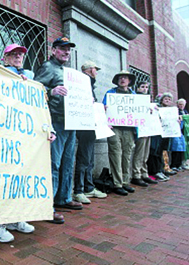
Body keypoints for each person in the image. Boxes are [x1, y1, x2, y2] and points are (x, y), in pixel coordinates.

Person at [0, 43, 56, 242]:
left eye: (20, 54)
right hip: (4, 135)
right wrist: (12, 80)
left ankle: (16, 218)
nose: (18, 57)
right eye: (13, 54)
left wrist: (49, 128)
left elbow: (40, 107)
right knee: (3, 178)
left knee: (21, 178)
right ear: (4, 58)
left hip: (25, 138)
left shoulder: (31, 79)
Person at [35, 37, 83, 223]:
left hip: (72, 121)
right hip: (56, 121)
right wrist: (51, 92)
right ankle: (48, 206)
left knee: (68, 162)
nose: (66, 52)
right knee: (53, 164)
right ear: (54, 50)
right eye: (62, 49)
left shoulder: (70, 72)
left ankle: (64, 197)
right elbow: (36, 88)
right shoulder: (48, 67)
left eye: (68, 50)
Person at [72, 61, 108, 204]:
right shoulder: (82, 82)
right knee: (84, 158)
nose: (96, 72)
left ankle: (88, 187)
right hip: (83, 125)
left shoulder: (89, 84)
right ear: (90, 70)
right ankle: (79, 190)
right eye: (95, 69)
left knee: (89, 158)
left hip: (90, 124)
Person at [102, 70, 138, 196]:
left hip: (128, 128)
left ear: (129, 81)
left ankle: (125, 181)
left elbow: (139, 111)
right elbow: (103, 109)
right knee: (115, 154)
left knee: (126, 155)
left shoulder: (134, 95)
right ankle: (117, 183)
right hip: (114, 128)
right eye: (120, 78)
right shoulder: (110, 93)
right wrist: (104, 109)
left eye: (125, 78)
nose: (122, 80)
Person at [131, 81, 157, 187]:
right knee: (139, 153)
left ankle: (144, 173)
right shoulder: (135, 98)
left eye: (146, 87)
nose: (144, 89)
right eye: (142, 87)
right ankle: (136, 175)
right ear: (137, 88)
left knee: (146, 153)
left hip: (148, 129)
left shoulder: (149, 100)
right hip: (140, 129)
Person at [170, 98, 188, 171]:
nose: (181, 106)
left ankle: (180, 164)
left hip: (182, 133)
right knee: (176, 148)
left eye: (183, 104)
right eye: (180, 104)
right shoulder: (175, 111)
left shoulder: (185, 112)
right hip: (176, 132)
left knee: (181, 149)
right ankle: (174, 164)